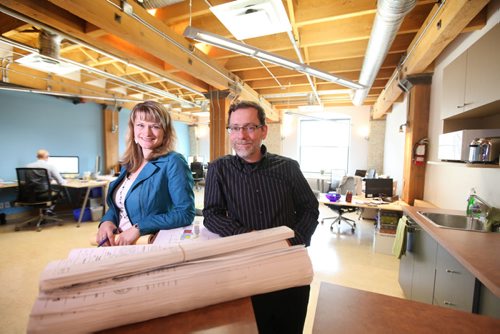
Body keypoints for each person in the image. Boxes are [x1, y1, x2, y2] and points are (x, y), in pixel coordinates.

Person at [203, 100, 319, 334]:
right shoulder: (219, 169)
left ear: (263, 130)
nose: (241, 135)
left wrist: (293, 241)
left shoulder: (287, 167)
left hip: (288, 264)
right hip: (245, 266)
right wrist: (249, 237)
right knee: (249, 328)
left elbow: (309, 208)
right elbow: (211, 215)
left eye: (249, 127)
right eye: (234, 128)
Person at [97, 101, 195, 246]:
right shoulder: (129, 163)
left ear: (165, 132)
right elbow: (119, 205)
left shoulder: (173, 162)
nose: (147, 132)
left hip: (146, 243)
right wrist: (107, 221)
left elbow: (185, 213)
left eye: (155, 126)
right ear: (133, 129)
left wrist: (140, 227)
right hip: (119, 241)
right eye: (140, 125)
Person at [26, 149, 66, 215]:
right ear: (47, 157)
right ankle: (48, 210)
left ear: (37, 156)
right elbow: (61, 182)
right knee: (60, 193)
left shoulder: (28, 166)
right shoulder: (50, 167)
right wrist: (66, 180)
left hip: (30, 195)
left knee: (51, 192)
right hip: (44, 194)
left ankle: (46, 212)